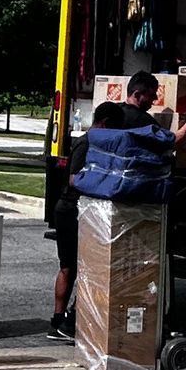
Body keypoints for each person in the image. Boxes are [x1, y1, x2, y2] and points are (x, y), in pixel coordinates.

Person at [47, 100, 126, 341]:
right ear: (105, 124)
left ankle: (61, 321)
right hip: (71, 209)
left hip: (71, 209)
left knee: (71, 266)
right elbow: (73, 179)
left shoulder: (93, 141)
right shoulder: (87, 142)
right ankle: (63, 320)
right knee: (75, 267)